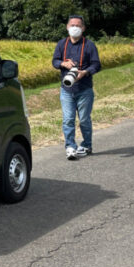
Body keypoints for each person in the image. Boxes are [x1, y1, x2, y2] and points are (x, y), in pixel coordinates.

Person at [51, 15, 101, 160]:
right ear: (67, 27)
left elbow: (96, 64)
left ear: (83, 28)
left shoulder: (89, 45)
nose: (75, 28)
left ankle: (86, 145)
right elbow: (54, 61)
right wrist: (63, 64)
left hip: (84, 89)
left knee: (84, 119)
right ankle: (70, 147)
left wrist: (85, 72)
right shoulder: (61, 44)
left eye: (78, 25)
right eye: (72, 25)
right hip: (66, 90)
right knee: (68, 119)